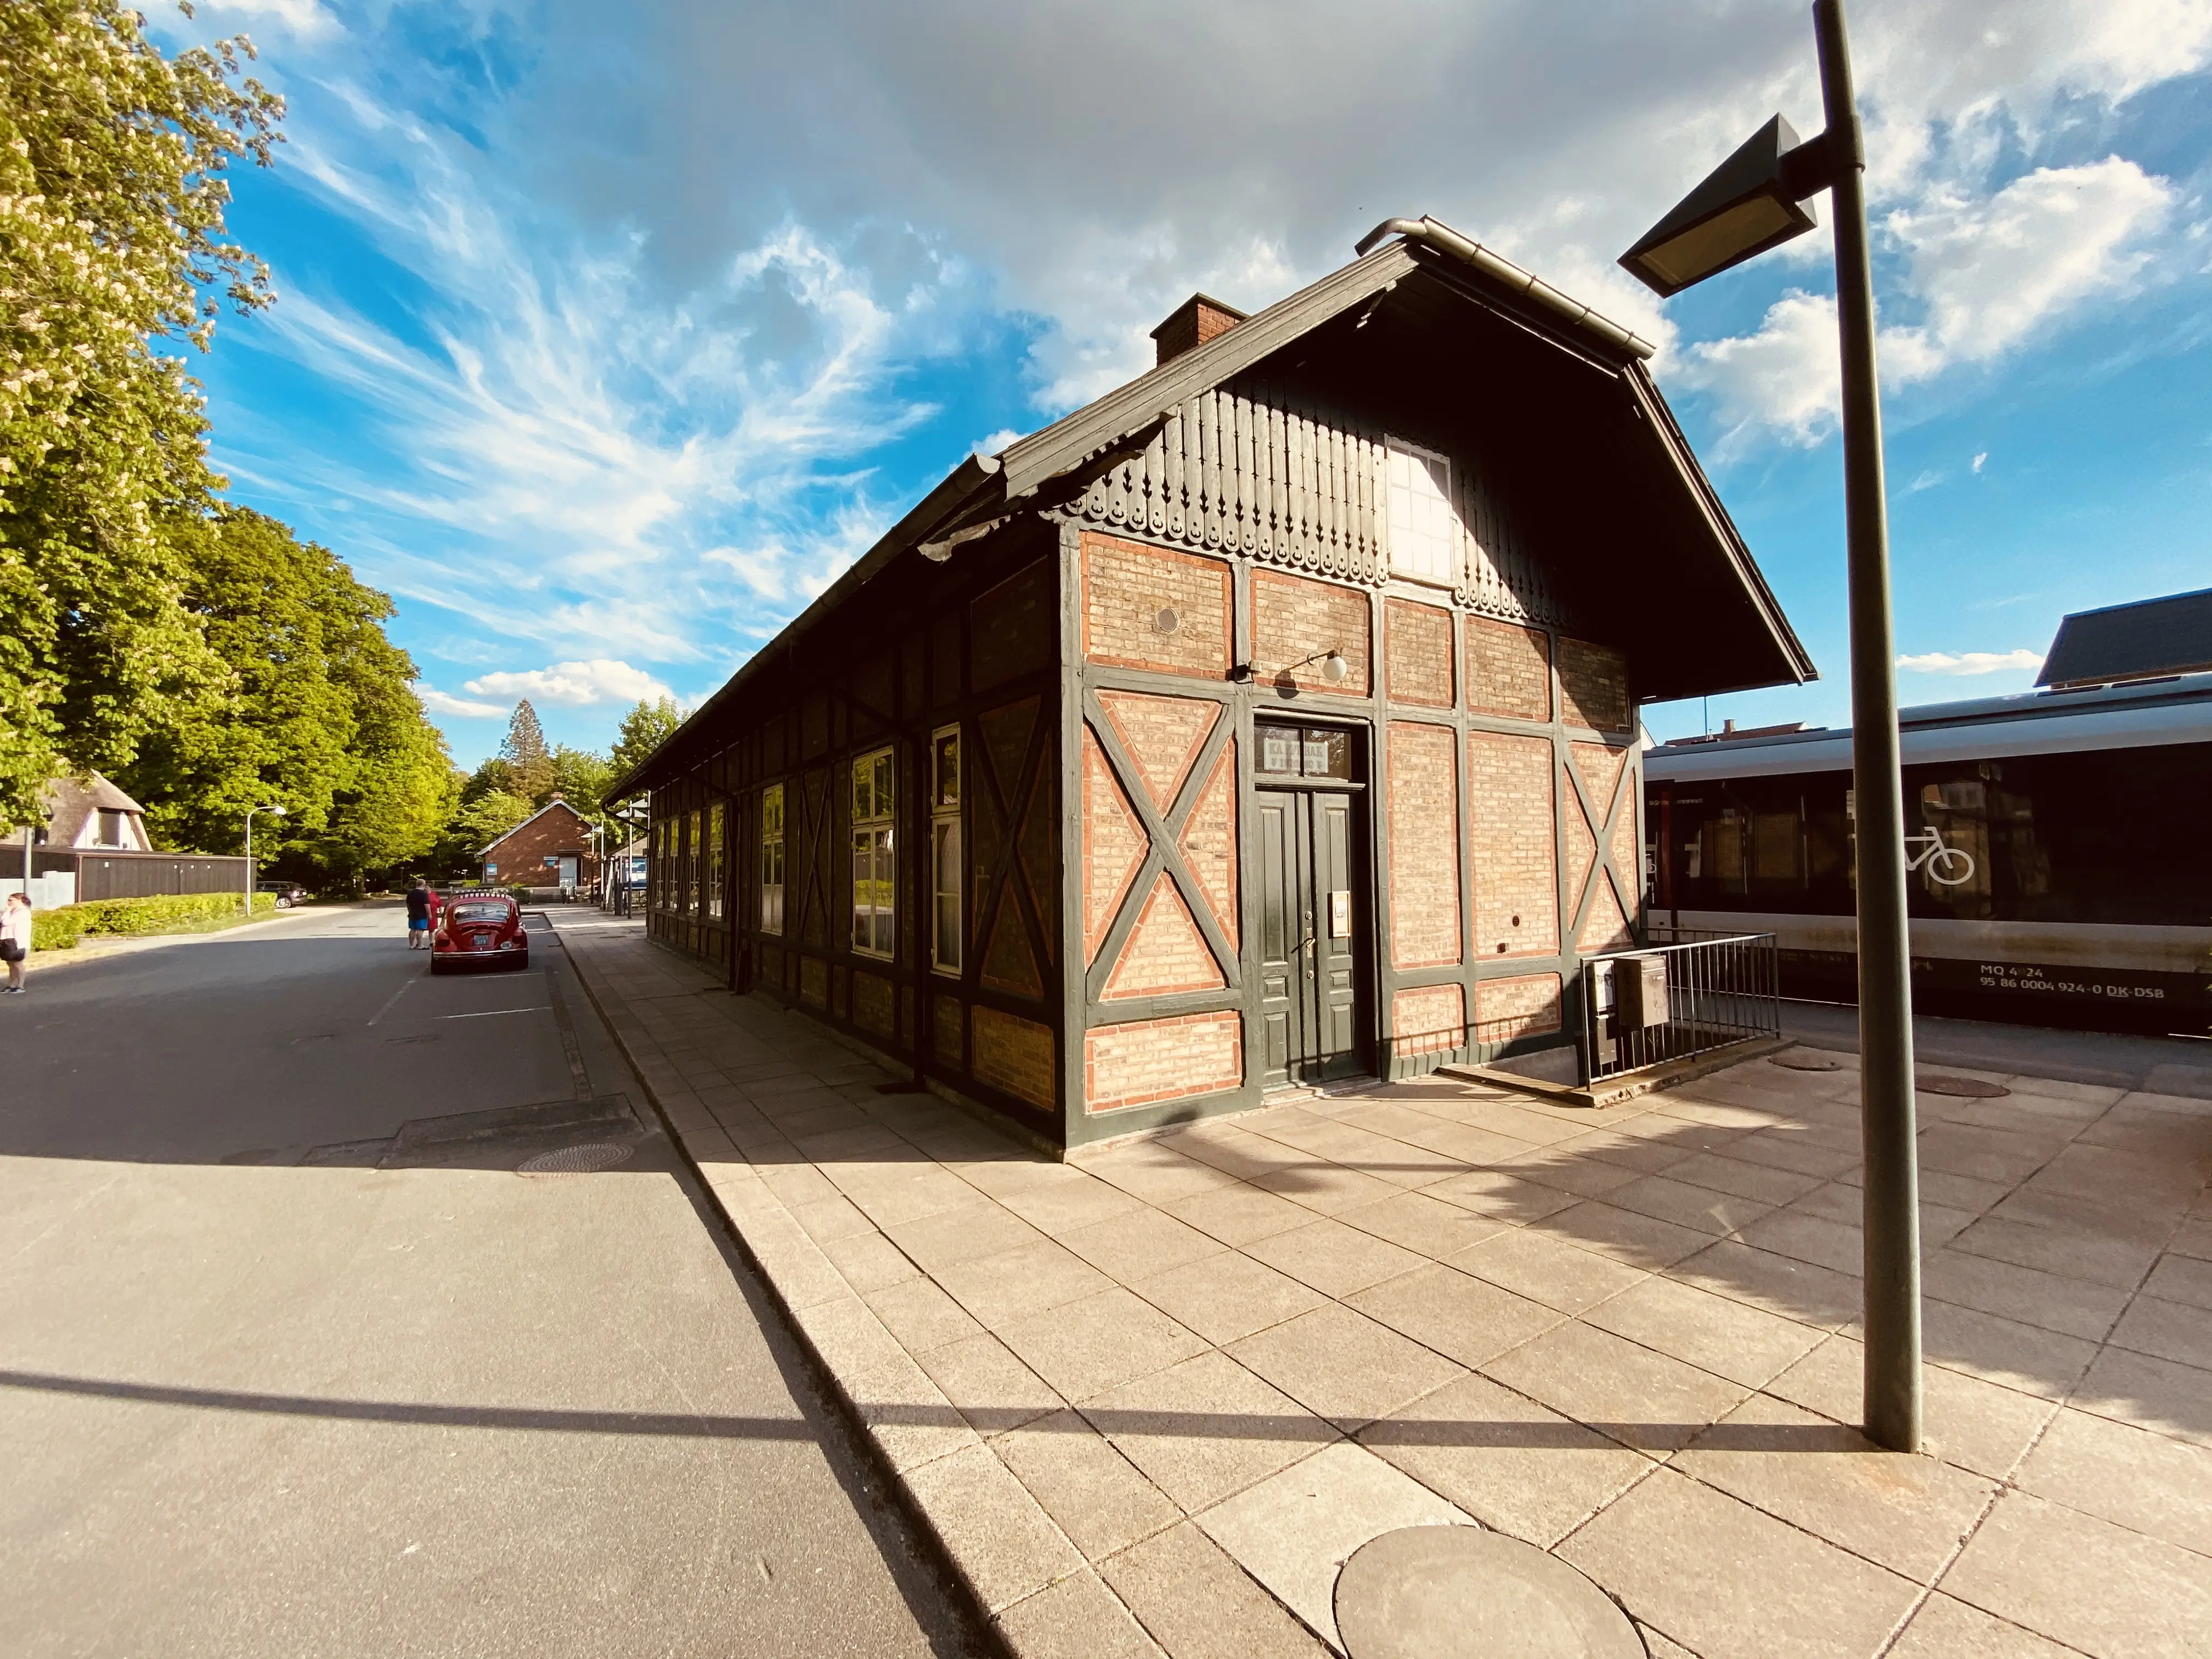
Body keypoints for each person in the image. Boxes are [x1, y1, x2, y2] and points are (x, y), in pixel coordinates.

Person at [1, 891, 30, 994]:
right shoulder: (12, 912)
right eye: (8, 900)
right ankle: (12, 985)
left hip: (19, 942)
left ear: (19, 901)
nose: (9, 903)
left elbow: (5, 922)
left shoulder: (23, 912)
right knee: (10, 964)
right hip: (7, 942)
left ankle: (20, 985)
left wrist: (7, 911)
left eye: (11, 900)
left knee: (18, 964)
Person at [404, 877, 437, 950]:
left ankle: (412, 945)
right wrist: (430, 914)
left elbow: (408, 904)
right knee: (420, 930)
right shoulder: (424, 894)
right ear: (424, 885)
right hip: (422, 914)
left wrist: (410, 911)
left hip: (412, 914)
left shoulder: (411, 892)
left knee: (413, 929)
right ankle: (420, 945)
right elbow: (427, 905)